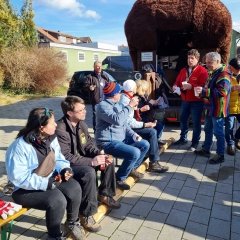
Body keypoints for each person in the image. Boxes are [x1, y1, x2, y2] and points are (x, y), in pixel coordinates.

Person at [5, 108, 85, 240]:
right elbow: (17, 177)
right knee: (57, 200)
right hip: (22, 189)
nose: (56, 125)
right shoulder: (19, 147)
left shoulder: (51, 138)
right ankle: (54, 237)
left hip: (49, 177)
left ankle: (72, 223)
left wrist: (64, 169)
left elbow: (58, 158)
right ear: (41, 128)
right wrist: (45, 183)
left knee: (74, 187)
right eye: (52, 123)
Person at [55, 96, 120, 223]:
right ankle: (86, 213)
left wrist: (99, 153)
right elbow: (66, 157)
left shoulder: (82, 124)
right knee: (88, 172)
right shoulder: (60, 129)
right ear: (69, 113)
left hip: (79, 159)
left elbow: (88, 145)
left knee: (107, 161)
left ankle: (105, 194)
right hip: (66, 165)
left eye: (84, 108)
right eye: (81, 110)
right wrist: (91, 162)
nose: (85, 111)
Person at [95, 82, 150, 190]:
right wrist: (130, 106)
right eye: (119, 92)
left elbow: (124, 123)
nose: (120, 94)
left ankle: (131, 169)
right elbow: (117, 120)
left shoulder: (117, 105)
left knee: (144, 144)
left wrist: (134, 135)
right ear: (114, 94)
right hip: (106, 142)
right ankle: (119, 177)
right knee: (134, 152)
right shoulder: (103, 106)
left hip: (120, 139)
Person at [119, 79, 169, 173]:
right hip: (127, 130)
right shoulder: (127, 100)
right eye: (134, 87)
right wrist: (145, 124)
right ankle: (153, 162)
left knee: (154, 129)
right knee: (152, 132)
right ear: (132, 89)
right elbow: (129, 122)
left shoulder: (129, 97)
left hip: (131, 126)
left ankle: (152, 158)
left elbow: (133, 115)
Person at [194, 52, 231, 164]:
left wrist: (205, 91)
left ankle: (220, 155)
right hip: (210, 107)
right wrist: (202, 92)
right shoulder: (213, 72)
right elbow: (209, 87)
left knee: (218, 132)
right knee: (207, 129)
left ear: (218, 62)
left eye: (210, 62)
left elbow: (222, 92)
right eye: (206, 62)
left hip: (218, 108)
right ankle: (206, 149)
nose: (207, 65)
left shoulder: (223, 74)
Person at [172, 49, 208, 151]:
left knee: (196, 123)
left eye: (192, 58)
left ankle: (195, 143)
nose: (190, 60)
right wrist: (175, 86)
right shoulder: (183, 70)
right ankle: (183, 139)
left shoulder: (202, 71)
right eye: (188, 58)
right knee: (183, 120)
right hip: (185, 101)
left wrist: (191, 86)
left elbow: (203, 86)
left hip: (197, 102)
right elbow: (177, 81)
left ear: (197, 59)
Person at [135, 79, 165, 145]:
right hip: (141, 119)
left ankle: (157, 139)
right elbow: (145, 109)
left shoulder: (143, 96)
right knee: (159, 125)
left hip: (147, 116)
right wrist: (151, 103)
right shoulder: (137, 98)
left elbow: (148, 107)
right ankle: (155, 141)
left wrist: (154, 104)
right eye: (144, 89)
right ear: (141, 89)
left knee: (162, 120)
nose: (146, 91)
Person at [83, 60, 109, 132]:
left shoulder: (104, 76)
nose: (99, 68)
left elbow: (109, 85)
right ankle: (96, 130)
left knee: (105, 115)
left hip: (105, 100)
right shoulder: (90, 77)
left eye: (100, 66)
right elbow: (85, 86)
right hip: (96, 100)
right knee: (96, 116)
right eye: (97, 66)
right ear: (94, 67)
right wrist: (89, 87)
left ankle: (103, 129)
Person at [224, 57, 240, 155]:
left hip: (239, 106)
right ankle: (230, 145)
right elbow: (221, 88)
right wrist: (232, 88)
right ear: (230, 67)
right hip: (229, 106)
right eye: (237, 69)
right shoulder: (225, 75)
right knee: (229, 128)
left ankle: (237, 137)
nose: (238, 71)